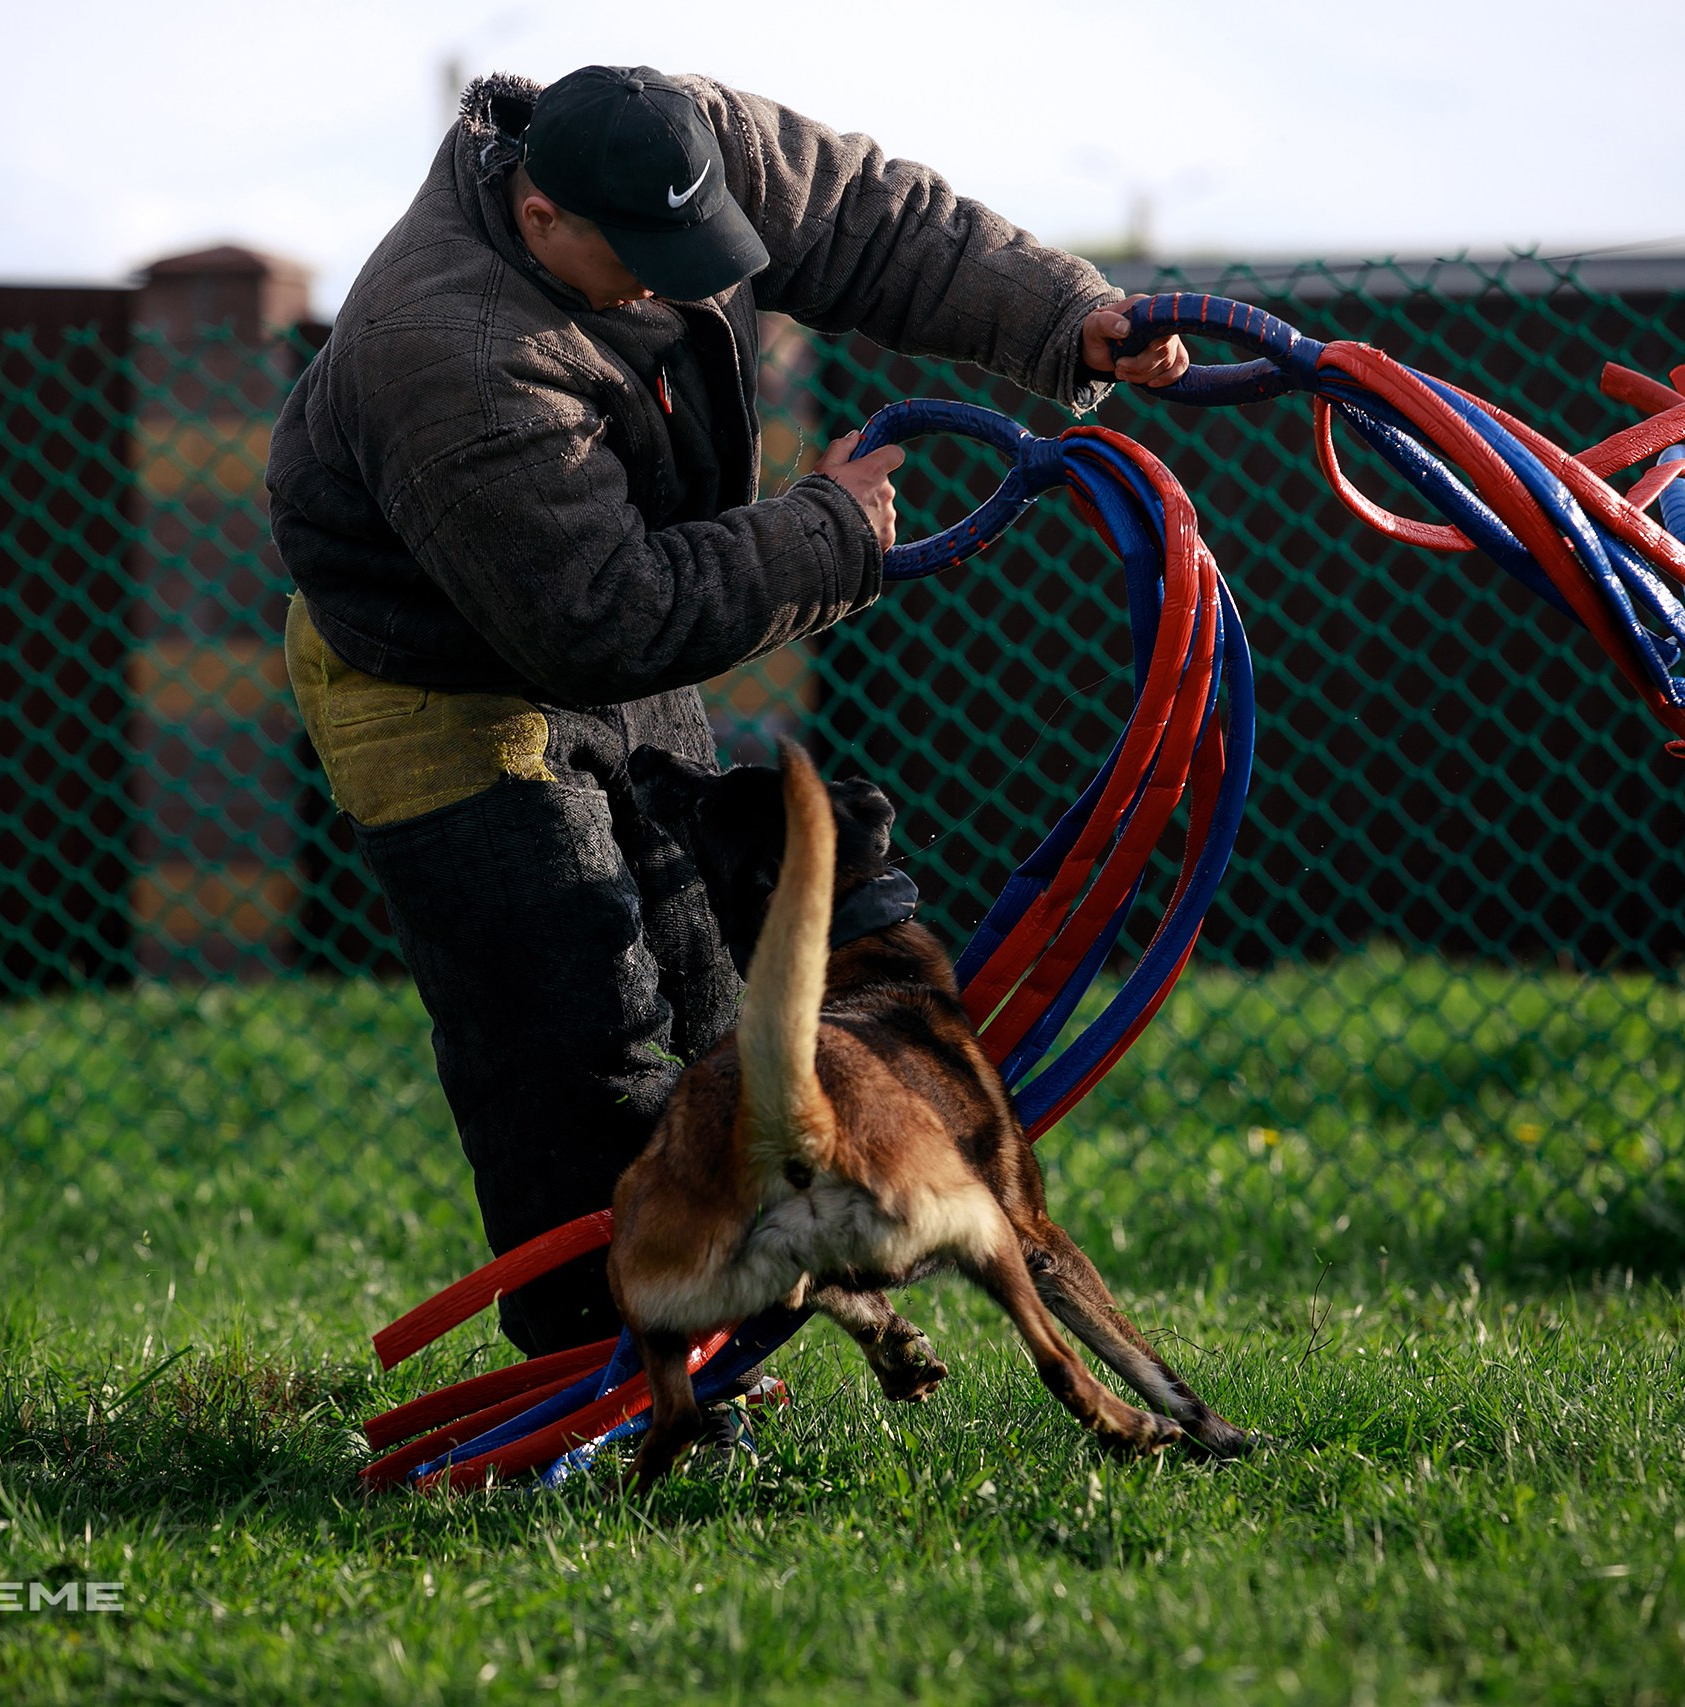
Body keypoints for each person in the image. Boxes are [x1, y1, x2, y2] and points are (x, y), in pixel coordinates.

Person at [268, 65, 1190, 1356]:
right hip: (430, 669)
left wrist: (1067, 313)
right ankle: (588, 1382)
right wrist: (821, 538)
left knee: (717, 1002)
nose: (673, 279)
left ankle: (724, 1360)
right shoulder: (451, 346)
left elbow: (872, 220)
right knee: (566, 1029)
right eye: (640, 260)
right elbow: (595, 620)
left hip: (616, 605)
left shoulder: (676, 144)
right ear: (540, 218)